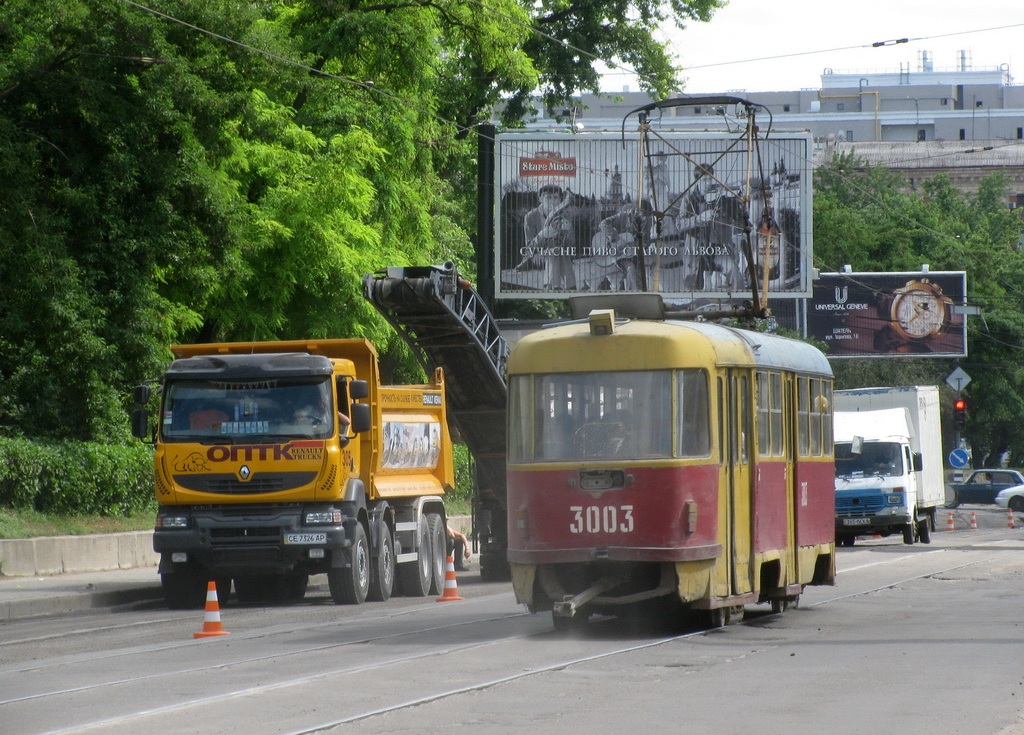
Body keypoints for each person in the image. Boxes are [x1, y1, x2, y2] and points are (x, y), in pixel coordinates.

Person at [523, 183, 577, 291]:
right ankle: (569, 287)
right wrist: (542, 234)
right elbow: (528, 248)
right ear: (540, 198)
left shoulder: (564, 215)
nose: (552, 201)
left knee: (557, 251)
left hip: (558, 255)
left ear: (560, 199)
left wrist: (568, 231)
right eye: (548, 197)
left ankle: (553, 286)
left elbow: (571, 244)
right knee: (555, 252)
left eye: (556, 197)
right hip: (538, 256)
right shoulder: (530, 216)